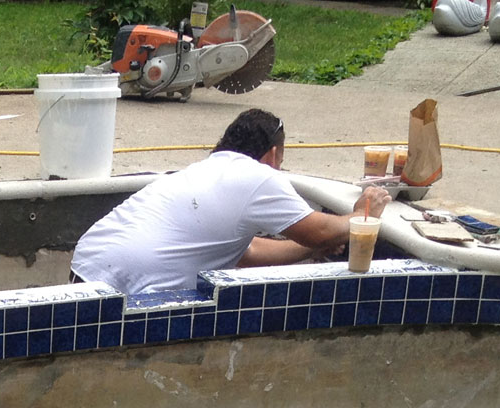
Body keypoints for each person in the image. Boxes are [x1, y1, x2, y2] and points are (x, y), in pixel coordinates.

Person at [68, 108, 351, 296]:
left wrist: (309, 251)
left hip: (87, 267)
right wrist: (365, 214)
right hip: (135, 290)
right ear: (272, 155)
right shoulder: (260, 175)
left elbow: (247, 252)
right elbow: (321, 231)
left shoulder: (206, 171)